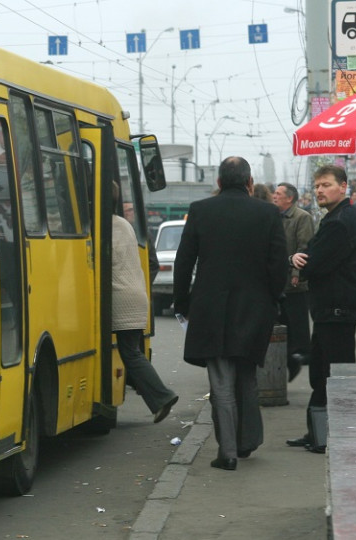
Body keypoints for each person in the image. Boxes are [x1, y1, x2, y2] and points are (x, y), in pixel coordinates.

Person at [173, 156, 287, 471]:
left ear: (219, 183)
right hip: (255, 308)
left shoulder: (200, 210)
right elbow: (278, 263)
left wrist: (182, 302)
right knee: (247, 375)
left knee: (221, 380)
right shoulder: (268, 213)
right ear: (250, 183)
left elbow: (184, 262)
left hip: (211, 308)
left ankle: (228, 451)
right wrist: (275, 298)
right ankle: (247, 441)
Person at [287, 165, 356, 454]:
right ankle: (318, 433)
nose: (319, 190)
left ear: (343, 187)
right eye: (317, 185)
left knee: (337, 375)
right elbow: (313, 251)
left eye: (326, 185)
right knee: (321, 374)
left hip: (337, 309)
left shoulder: (340, 221)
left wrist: (298, 260)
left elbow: (316, 262)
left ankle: (342, 436)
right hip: (330, 310)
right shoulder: (336, 217)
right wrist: (302, 256)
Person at [111, 183, 178, 422]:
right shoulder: (124, 225)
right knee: (131, 351)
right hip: (136, 295)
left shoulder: (105, 228)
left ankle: (162, 396)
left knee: (130, 352)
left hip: (122, 299)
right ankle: (157, 397)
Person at [272, 182, 314, 379]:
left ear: (289, 198)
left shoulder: (301, 217)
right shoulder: (274, 216)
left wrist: (296, 273)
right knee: (280, 323)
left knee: (297, 323)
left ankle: (301, 355)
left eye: (279, 194)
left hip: (294, 282)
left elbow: (304, 248)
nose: (274, 196)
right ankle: (289, 357)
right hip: (277, 281)